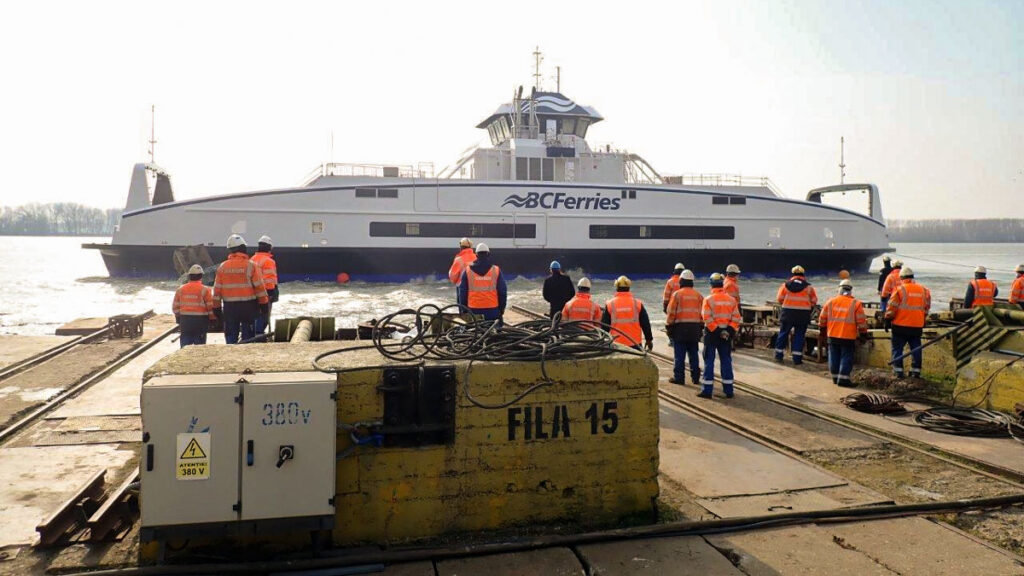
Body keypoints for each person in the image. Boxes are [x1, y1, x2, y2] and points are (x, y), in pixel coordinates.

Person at [213, 234, 269, 344]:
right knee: (248, 337)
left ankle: (231, 355)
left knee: (230, 336)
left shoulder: (222, 267)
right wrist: (264, 305)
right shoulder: (251, 265)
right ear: (243, 248)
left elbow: (217, 291)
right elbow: (259, 288)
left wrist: (216, 308)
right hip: (248, 307)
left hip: (229, 307)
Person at [818, 279, 868, 387]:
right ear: (850, 290)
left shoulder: (830, 302)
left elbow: (822, 318)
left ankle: (835, 378)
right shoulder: (856, 303)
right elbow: (861, 321)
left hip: (832, 335)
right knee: (846, 357)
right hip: (848, 336)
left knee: (833, 356)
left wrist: (822, 330)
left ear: (839, 289)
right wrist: (864, 334)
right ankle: (844, 379)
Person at [884, 266, 931, 379]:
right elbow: (926, 307)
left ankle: (898, 372)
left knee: (897, 349)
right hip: (916, 326)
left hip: (900, 326)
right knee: (916, 349)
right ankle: (915, 372)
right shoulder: (924, 290)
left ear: (902, 278)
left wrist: (887, 319)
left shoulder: (899, 289)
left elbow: (892, 307)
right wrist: (922, 319)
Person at [698, 273, 740, 399]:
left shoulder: (708, 299)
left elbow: (706, 318)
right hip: (726, 335)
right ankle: (728, 390)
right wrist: (728, 331)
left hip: (712, 335)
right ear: (722, 284)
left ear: (711, 284)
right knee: (726, 360)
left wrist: (717, 331)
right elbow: (736, 318)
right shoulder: (731, 300)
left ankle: (707, 390)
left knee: (709, 361)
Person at [665, 269, 703, 385]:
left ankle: (679, 378)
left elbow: (671, 312)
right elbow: (703, 313)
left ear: (681, 281)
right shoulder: (699, 296)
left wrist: (669, 326)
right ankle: (695, 378)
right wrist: (701, 327)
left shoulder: (677, 295)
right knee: (693, 354)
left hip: (680, 329)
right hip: (695, 329)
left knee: (679, 355)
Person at [775, 265, 818, 365]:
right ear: (803, 274)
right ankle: (797, 358)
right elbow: (814, 301)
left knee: (783, 333)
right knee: (799, 335)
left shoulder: (785, 285)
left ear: (793, 274)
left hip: (788, 313)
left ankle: (778, 355)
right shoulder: (809, 287)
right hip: (802, 314)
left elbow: (780, 299)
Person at [457, 243, 507, 324]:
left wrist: (464, 310)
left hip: (473, 310)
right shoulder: (496, 270)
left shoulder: (468, 271)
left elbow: (462, 293)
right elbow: (502, 292)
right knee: (495, 331)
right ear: (488, 254)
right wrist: (501, 309)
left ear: (476, 255)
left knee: (473, 332)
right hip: (492, 310)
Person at [601, 276, 654, 351]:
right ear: (629, 288)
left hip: (617, 345)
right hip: (635, 345)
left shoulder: (610, 304)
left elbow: (604, 327)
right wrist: (649, 340)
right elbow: (646, 324)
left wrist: (601, 342)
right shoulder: (637, 304)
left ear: (617, 288)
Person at [172, 264, 216, 348]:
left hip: (185, 320)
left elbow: (175, 307)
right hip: (200, 321)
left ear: (189, 276)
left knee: (185, 345)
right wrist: (213, 318)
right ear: (201, 276)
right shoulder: (205, 289)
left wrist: (178, 317)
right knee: (199, 347)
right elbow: (210, 307)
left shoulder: (180, 289)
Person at [250, 235, 278, 336]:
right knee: (264, 315)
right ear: (269, 247)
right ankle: (259, 334)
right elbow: (269, 279)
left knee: (255, 315)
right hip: (265, 293)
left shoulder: (252, 259)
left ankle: (253, 333)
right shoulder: (269, 261)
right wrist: (271, 293)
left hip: (252, 293)